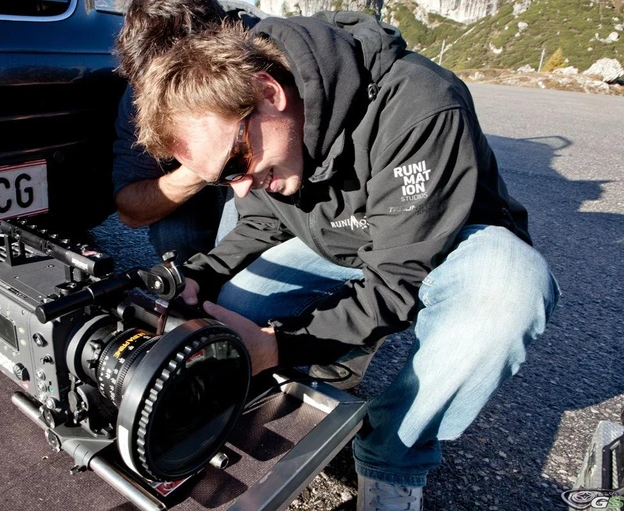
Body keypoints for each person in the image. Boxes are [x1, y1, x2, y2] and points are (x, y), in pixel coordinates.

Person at [132, 13, 561, 511]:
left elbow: (397, 282)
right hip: (344, 239)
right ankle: (327, 374)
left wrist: (280, 345)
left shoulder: (417, 103)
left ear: (269, 92)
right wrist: (196, 277)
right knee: (235, 309)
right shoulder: (268, 139)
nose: (240, 187)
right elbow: (262, 223)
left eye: (235, 164)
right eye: (221, 179)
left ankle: (392, 456)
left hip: (443, 239)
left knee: (508, 291)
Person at [112, 0, 266, 262]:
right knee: (175, 234)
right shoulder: (141, 90)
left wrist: (236, 153)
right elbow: (130, 209)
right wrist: (206, 164)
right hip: (194, 193)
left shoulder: (259, 54)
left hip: (265, 184)